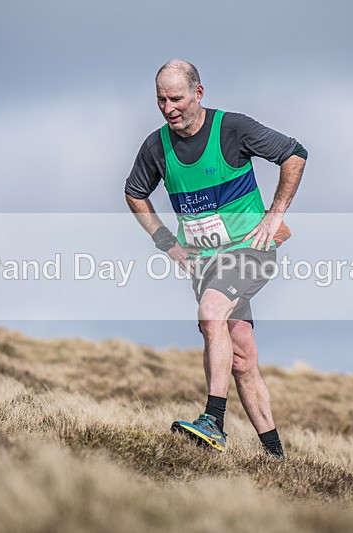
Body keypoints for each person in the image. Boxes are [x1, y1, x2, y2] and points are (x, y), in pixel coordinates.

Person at [124, 59, 306, 457]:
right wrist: (163, 239)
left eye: (176, 98)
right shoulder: (157, 147)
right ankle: (276, 457)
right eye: (161, 99)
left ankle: (213, 422)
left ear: (198, 93)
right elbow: (135, 192)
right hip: (204, 263)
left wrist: (274, 215)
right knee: (240, 354)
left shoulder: (232, 128)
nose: (169, 107)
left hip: (251, 250)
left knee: (211, 312)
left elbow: (295, 154)